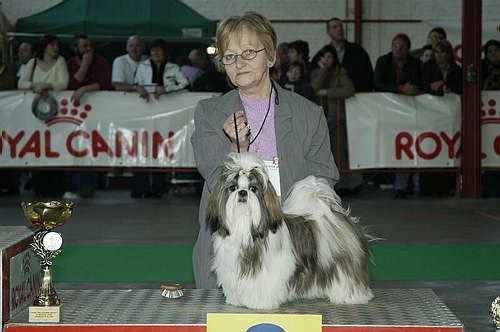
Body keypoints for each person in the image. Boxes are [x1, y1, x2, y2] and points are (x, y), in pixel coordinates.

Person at [190, 11, 339, 289]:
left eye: (248, 52)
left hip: (297, 261)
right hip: (227, 258)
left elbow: (324, 179)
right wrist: (237, 149)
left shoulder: (309, 114)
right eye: (230, 56)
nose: (239, 63)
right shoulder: (208, 113)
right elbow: (214, 177)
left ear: (270, 57)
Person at [131, 39, 189, 198]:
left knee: (161, 149)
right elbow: (134, 83)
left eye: (159, 50)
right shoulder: (142, 67)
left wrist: (167, 89)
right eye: (153, 50)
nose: (156, 53)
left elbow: (185, 84)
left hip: (166, 113)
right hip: (145, 112)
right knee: (141, 149)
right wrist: (139, 89)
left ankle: (159, 188)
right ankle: (140, 188)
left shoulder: (173, 68)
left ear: (164, 53)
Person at [18, 35, 69, 197]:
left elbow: (63, 83)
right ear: (45, 47)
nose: (55, 48)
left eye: (57, 45)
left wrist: (48, 85)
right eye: (52, 45)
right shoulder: (33, 63)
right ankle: (39, 184)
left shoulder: (60, 61)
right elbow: (21, 83)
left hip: (56, 112)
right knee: (38, 146)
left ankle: (56, 185)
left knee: (57, 146)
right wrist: (35, 86)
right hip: (36, 113)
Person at [374, 33, 422, 198]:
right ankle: (394, 181)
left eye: (401, 46)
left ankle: (404, 184)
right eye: (395, 45)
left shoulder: (415, 64)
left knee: (406, 145)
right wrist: (400, 89)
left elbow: (417, 84)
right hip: (386, 111)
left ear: (408, 48)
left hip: (408, 112)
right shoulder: (383, 61)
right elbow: (377, 83)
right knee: (390, 145)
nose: (398, 48)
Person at [64, 35, 112, 199]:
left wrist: (84, 90)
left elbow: (105, 83)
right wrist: (85, 63)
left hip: (96, 114)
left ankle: (89, 185)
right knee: (73, 147)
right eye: (84, 46)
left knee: (91, 147)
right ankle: (73, 185)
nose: (88, 49)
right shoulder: (70, 64)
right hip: (72, 115)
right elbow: (71, 84)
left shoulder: (101, 62)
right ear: (75, 48)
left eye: (89, 45)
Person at [310, 45, 358, 193]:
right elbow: (313, 88)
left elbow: (349, 89)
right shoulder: (317, 71)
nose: (326, 60)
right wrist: (323, 71)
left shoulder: (340, 72)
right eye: (323, 57)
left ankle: (343, 183)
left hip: (335, 115)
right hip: (319, 116)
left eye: (329, 57)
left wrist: (328, 92)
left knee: (337, 149)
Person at [311, 17, 373, 92]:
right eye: (335, 27)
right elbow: (313, 76)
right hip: (330, 98)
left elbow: (368, 73)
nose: (339, 29)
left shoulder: (357, 50)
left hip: (355, 95)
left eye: (341, 26)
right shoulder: (322, 54)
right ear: (328, 32)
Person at [481, 39, 500, 197]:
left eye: (496, 50)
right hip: (487, 118)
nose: (493, 54)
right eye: (489, 51)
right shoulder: (481, 69)